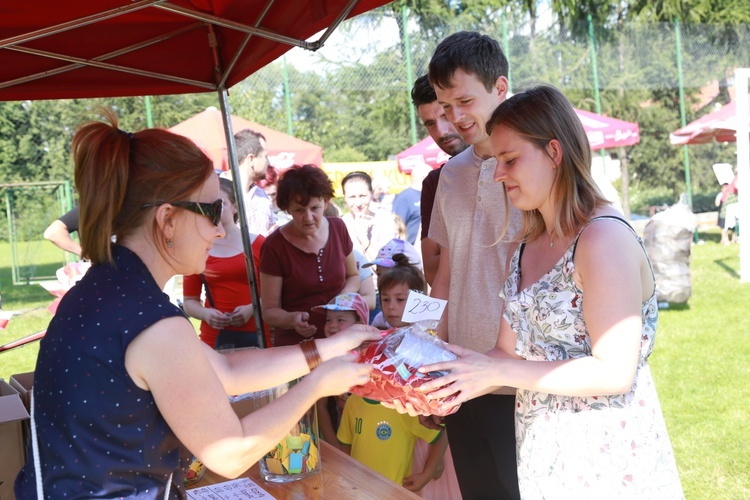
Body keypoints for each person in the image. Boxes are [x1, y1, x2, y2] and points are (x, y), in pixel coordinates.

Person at [15, 109, 380, 498]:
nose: (220, 229)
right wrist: (316, 386)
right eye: (211, 212)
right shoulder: (151, 322)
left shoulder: (106, 288)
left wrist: (327, 349)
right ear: (167, 219)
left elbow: (225, 369)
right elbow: (229, 451)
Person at [418, 85, 683, 496]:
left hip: (606, 460)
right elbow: (505, 352)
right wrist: (439, 380)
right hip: (544, 454)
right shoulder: (529, 240)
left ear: (554, 153)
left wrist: (495, 371)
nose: (498, 173)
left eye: (509, 160)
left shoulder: (601, 238)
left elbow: (614, 370)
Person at [426, 31, 522, 499]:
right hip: (460, 374)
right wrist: (427, 352)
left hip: (523, 377)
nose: (455, 118)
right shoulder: (452, 172)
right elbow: (445, 272)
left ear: (500, 88)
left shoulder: (539, 163)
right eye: (445, 107)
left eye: (464, 101)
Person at [259, 165, 360, 346]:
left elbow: (353, 276)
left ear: (326, 202)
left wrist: (342, 299)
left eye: (315, 208)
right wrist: (293, 319)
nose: (308, 217)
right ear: (287, 209)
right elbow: (269, 311)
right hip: (296, 348)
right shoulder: (274, 246)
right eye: (299, 210)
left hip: (340, 340)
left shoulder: (338, 228)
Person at [183, 177, 266, 350]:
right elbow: (189, 301)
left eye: (220, 204)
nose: (214, 210)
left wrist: (252, 308)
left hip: (256, 334)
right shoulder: (197, 247)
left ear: (235, 207)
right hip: (214, 337)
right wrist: (206, 314)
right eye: (208, 204)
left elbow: (276, 294)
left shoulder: (258, 244)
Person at [410, 74, 469, 285]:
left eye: (445, 116)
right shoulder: (435, 183)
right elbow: (433, 274)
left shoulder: (507, 166)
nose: (441, 132)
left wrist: (452, 245)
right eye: (430, 123)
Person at [312, 292, 371, 449]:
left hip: (371, 438)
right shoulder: (326, 359)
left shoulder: (373, 358)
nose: (332, 325)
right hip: (340, 436)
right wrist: (336, 447)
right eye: (328, 320)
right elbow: (321, 408)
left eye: (340, 320)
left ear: (360, 323)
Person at [341, 171, 398, 262]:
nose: (358, 203)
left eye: (362, 196)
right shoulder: (340, 225)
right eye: (352, 197)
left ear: (371, 194)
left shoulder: (385, 221)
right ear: (344, 197)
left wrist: (363, 238)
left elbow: (386, 265)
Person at [232, 128, 276, 235]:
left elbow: (270, 229)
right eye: (265, 156)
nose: (268, 162)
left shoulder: (262, 196)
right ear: (251, 159)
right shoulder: (218, 192)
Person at [392, 163, 431, 245]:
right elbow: (398, 226)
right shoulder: (404, 197)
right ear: (424, 178)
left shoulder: (429, 195)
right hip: (410, 250)